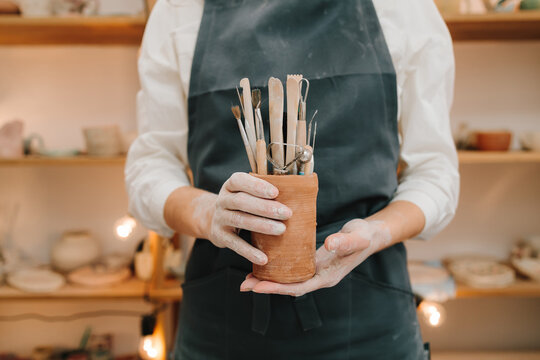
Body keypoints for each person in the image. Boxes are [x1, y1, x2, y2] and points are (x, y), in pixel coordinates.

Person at [125, 0, 459, 358]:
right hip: (223, 324)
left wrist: (377, 231)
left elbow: (435, 172)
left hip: (368, 321)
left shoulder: (405, 9)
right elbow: (150, 166)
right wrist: (206, 213)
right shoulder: (178, 10)